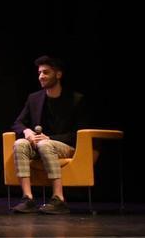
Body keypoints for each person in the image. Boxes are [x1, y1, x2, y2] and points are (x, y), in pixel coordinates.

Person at [10, 56, 87, 215]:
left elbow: (78, 133)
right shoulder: (34, 98)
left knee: (45, 144)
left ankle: (59, 198)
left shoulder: (76, 99)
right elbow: (18, 123)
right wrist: (27, 131)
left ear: (58, 75)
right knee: (20, 144)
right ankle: (27, 198)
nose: (41, 76)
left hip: (66, 146)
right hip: (40, 144)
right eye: (39, 73)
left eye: (46, 72)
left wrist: (50, 139)